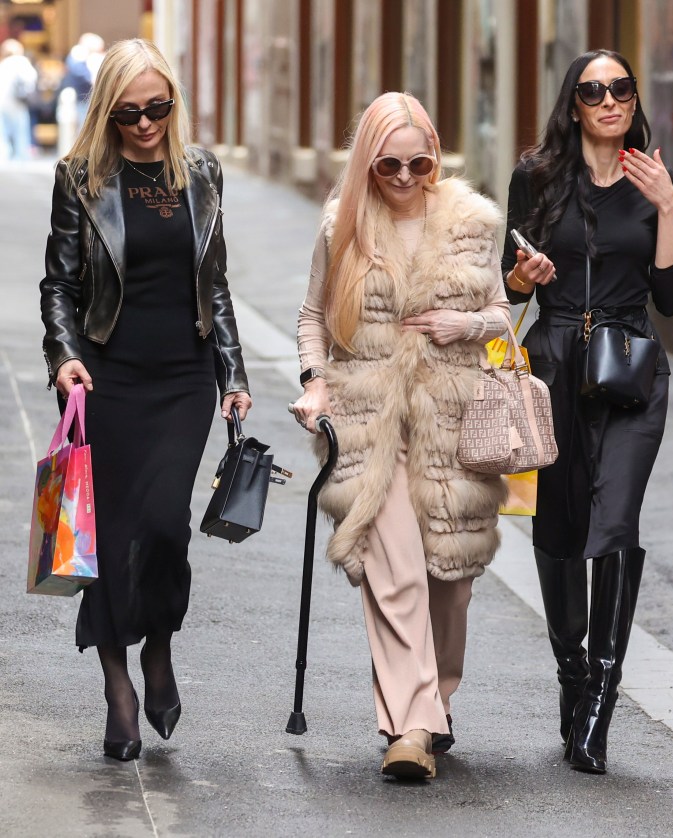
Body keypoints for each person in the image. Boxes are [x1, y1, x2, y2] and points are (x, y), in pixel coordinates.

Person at [39, 39, 251, 762]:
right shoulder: (81, 178)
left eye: (157, 108)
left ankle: (158, 644)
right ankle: (118, 686)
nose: (145, 123)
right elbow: (60, 286)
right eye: (129, 111)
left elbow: (215, 283)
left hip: (184, 378)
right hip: (107, 377)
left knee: (164, 525)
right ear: (108, 110)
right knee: (104, 537)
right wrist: (64, 356)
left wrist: (235, 375)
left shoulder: (200, 173)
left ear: (173, 104)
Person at [290, 91, 509, 781]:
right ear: (369, 162)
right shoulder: (343, 228)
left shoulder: (474, 223)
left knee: (452, 585)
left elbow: (503, 312)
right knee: (395, 574)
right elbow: (311, 319)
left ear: (436, 155)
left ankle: (436, 700)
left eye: (421, 162)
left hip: (452, 426)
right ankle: (409, 727)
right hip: (367, 425)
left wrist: (464, 325)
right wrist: (314, 382)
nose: (408, 176)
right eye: (391, 164)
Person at [501, 49, 673, 774]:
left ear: (633, 100)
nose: (609, 100)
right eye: (593, 90)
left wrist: (669, 205)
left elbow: (671, 299)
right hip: (554, 366)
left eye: (620, 89)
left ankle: (601, 704)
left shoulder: (654, 181)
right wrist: (524, 275)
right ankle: (571, 675)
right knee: (558, 528)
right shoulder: (537, 177)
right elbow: (508, 287)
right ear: (573, 103)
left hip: (631, 368)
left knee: (614, 523)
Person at [0, 38, 38, 160]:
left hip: (3, 103)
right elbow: (31, 78)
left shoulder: (3, 64)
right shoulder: (22, 62)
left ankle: (4, 157)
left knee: (3, 132)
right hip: (17, 103)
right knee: (20, 131)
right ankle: (21, 158)